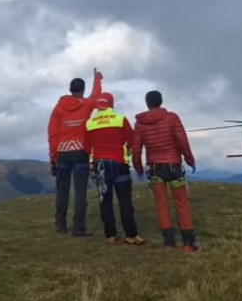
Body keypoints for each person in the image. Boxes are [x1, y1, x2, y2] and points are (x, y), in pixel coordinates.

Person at [131, 90, 199, 253]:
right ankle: (188, 243)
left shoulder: (140, 124)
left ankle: (169, 243)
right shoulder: (172, 118)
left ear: (147, 103)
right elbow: (182, 141)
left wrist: (138, 168)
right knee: (182, 203)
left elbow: (136, 149)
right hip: (173, 166)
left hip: (154, 168)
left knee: (161, 204)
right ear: (161, 101)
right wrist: (190, 160)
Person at [47, 69, 103, 236]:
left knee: (62, 191)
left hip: (62, 153)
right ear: (83, 90)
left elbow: (52, 134)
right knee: (80, 192)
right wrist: (98, 79)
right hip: (80, 152)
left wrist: (53, 157)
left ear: (70, 89)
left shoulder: (58, 108)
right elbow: (96, 96)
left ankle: (60, 225)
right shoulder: (87, 104)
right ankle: (78, 227)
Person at [84, 92, 144, 246]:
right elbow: (132, 141)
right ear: (111, 104)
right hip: (119, 164)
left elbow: (86, 147)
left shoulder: (90, 123)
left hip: (100, 166)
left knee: (105, 200)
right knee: (125, 200)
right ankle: (131, 235)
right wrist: (127, 154)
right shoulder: (120, 119)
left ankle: (110, 235)